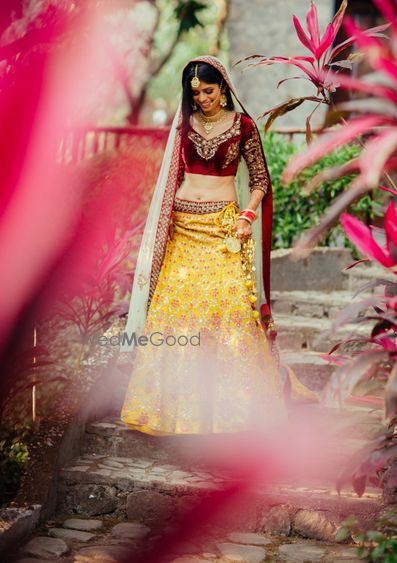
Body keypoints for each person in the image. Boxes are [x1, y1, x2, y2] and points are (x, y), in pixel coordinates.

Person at [118, 55, 318, 436]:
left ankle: (236, 412)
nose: (202, 99)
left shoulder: (244, 126)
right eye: (196, 94)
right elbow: (171, 179)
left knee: (229, 315)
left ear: (224, 88)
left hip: (225, 229)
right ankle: (172, 411)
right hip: (183, 227)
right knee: (175, 314)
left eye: (209, 91)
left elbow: (260, 179)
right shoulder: (184, 125)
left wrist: (247, 215)